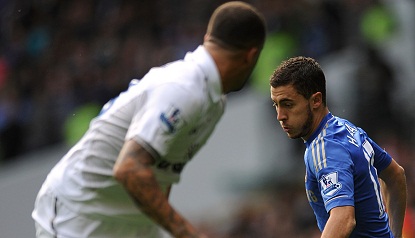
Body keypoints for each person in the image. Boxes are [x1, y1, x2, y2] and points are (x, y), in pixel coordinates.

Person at [32, 2, 266, 237]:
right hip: (77, 215)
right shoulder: (184, 89)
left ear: (208, 37)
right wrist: (186, 233)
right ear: (251, 55)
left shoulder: (214, 101)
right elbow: (129, 169)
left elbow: (162, 173)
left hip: (134, 223)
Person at [269, 56, 407, 237]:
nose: (280, 116)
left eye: (288, 104)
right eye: (276, 105)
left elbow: (343, 218)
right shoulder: (346, 130)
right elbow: (396, 175)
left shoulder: (326, 148)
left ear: (316, 100)